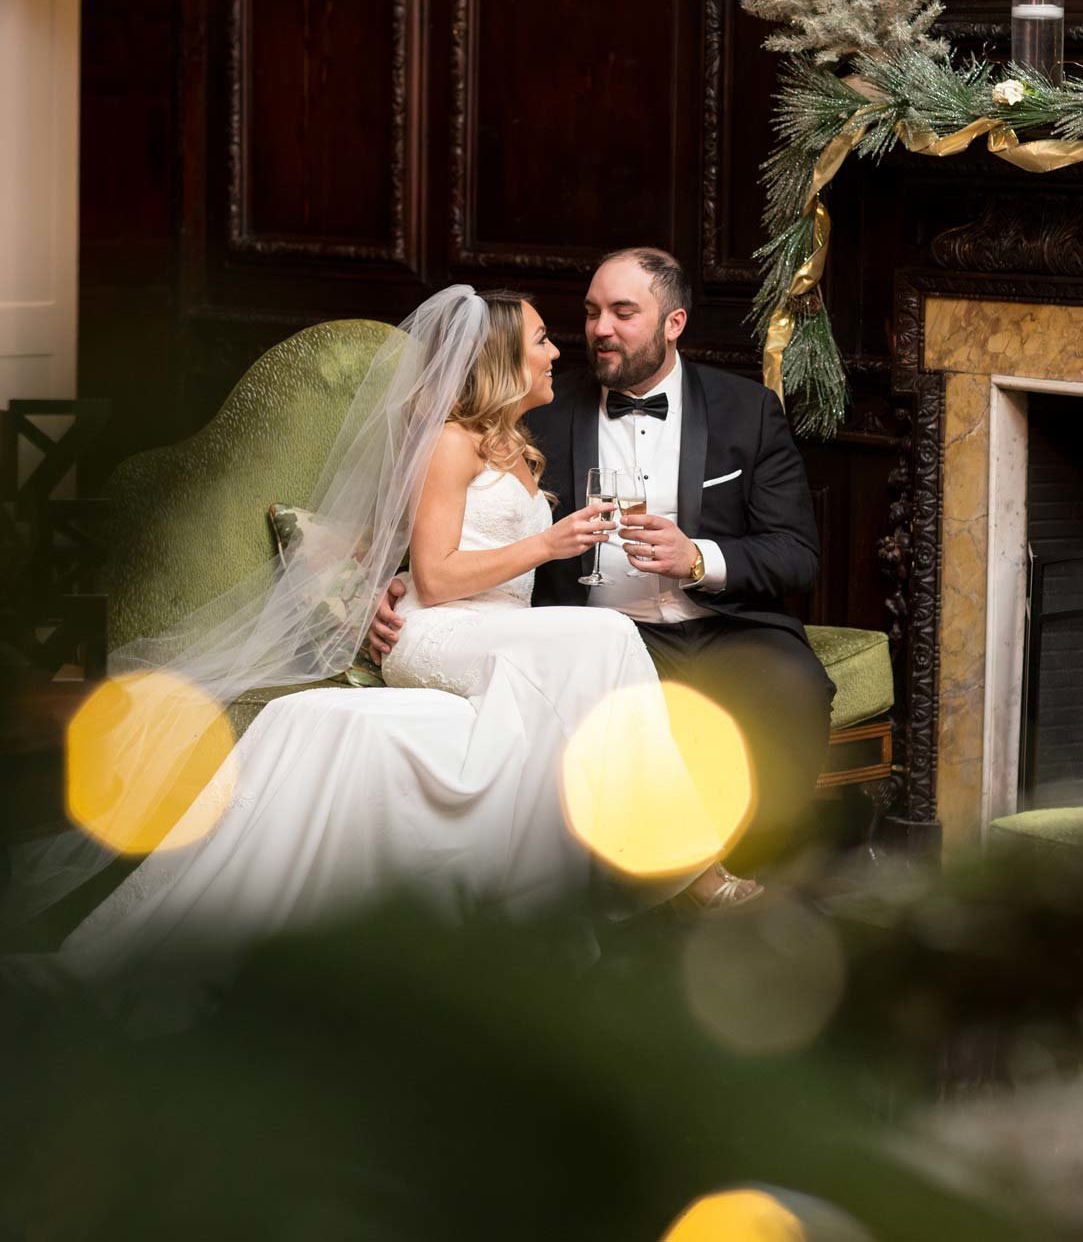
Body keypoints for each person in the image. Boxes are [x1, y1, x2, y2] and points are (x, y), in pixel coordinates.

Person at [35, 285, 753, 982]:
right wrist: (544, 546)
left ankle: (564, 890)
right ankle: (678, 870)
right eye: (540, 339)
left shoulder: (512, 446)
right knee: (604, 640)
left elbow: (421, 560)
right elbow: (435, 579)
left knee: (596, 645)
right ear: (501, 357)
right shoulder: (448, 443)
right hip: (437, 633)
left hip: (499, 631)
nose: (556, 351)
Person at [371, 251, 834, 875]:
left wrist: (697, 557)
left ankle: (755, 875)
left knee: (793, 688)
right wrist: (388, 584)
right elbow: (454, 513)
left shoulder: (746, 412)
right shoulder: (542, 409)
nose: (599, 330)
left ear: (674, 323)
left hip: (724, 624)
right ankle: (644, 887)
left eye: (622, 313)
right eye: (591, 314)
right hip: (596, 627)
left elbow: (797, 554)